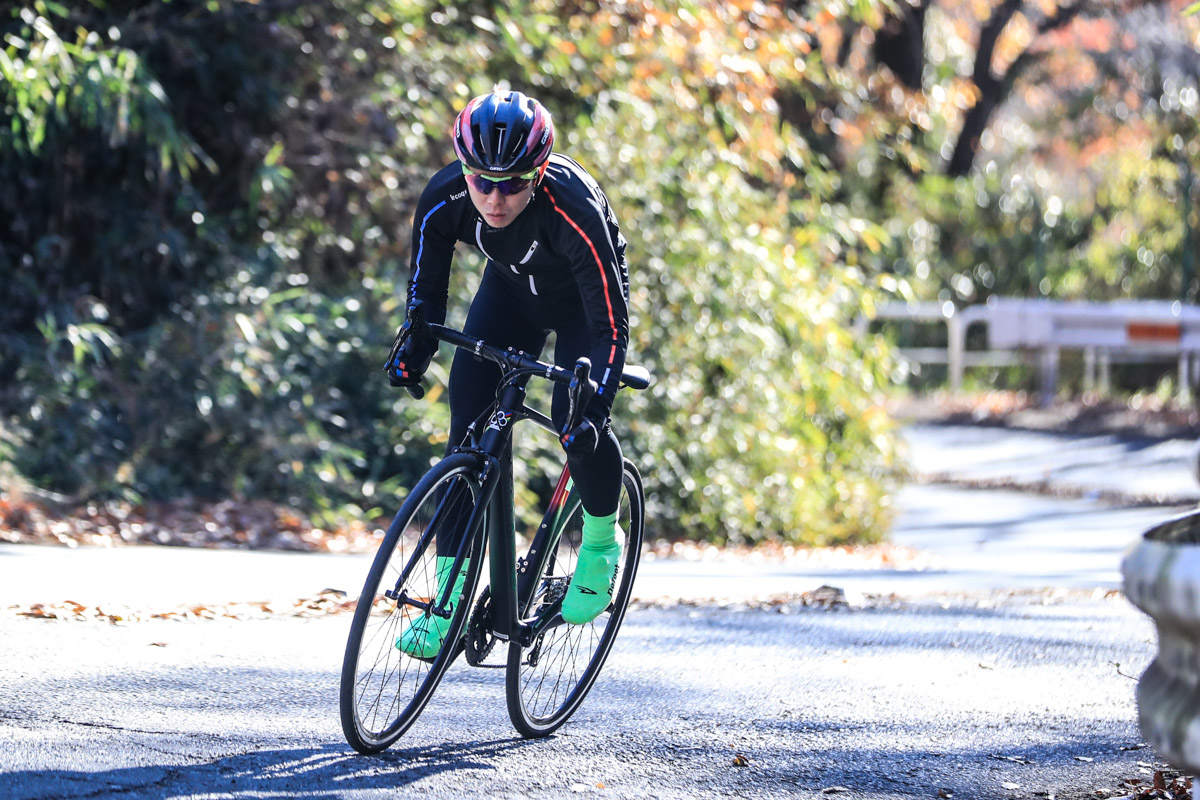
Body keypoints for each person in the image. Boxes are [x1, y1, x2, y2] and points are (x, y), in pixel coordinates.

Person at [386, 89, 631, 658]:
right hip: (509, 297)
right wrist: (416, 345)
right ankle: (449, 600)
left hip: (581, 309)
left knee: (576, 424)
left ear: (539, 173)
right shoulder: (445, 196)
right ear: (464, 170)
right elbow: (427, 291)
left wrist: (595, 405)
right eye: (482, 181)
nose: (495, 199)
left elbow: (610, 327)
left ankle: (600, 539)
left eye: (515, 183)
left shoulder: (573, 208)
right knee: (465, 431)